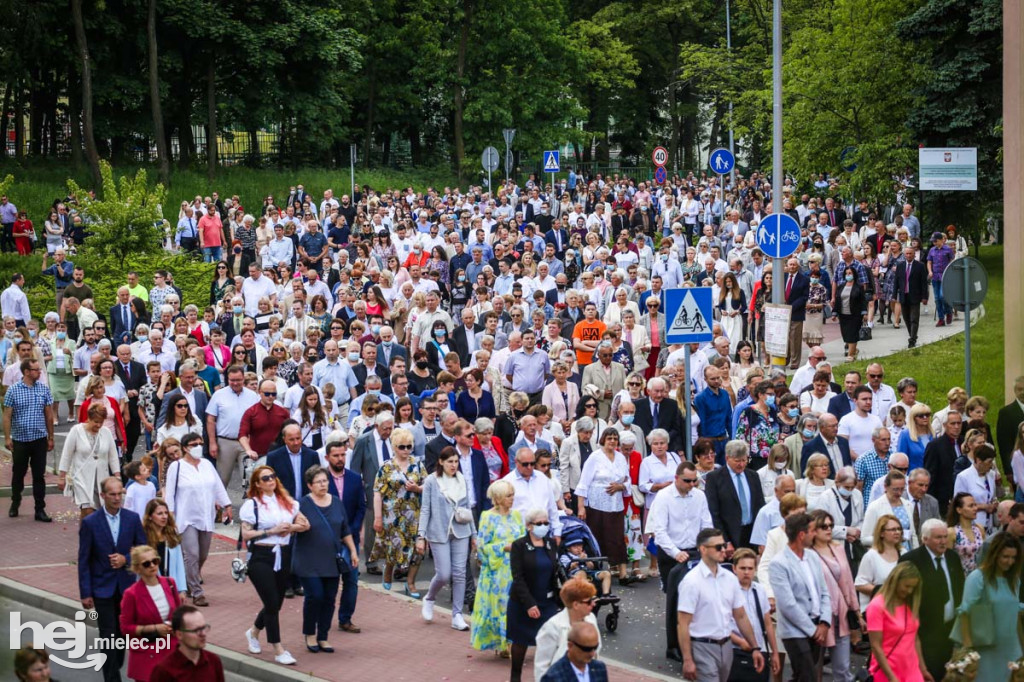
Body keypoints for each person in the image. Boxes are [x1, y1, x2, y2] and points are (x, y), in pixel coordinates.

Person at [78, 477, 147, 682]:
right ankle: (111, 678)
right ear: (103, 496)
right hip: (102, 588)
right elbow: (84, 559)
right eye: (113, 494)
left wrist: (126, 559)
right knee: (108, 635)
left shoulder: (132, 519)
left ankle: (113, 665)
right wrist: (86, 592)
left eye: (120, 494)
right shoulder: (91, 522)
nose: (117, 498)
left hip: (127, 588)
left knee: (122, 634)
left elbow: (144, 550)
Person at [239, 464, 309, 666]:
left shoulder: (288, 502)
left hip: (283, 554)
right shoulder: (252, 505)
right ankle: (278, 648)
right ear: (258, 484)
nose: (271, 480)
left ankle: (253, 632)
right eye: (266, 478)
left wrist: (290, 528)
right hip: (261, 555)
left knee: (276, 603)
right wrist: (272, 531)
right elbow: (247, 534)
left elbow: (305, 524)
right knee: (271, 602)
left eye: (273, 476)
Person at [678, 527, 765, 682]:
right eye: (718, 547)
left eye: (724, 545)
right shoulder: (691, 582)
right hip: (702, 646)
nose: (724, 550)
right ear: (703, 549)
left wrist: (755, 647)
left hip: (726, 647)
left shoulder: (730, 579)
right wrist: (687, 659)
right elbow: (683, 624)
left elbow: (741, 616)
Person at [648, 461, 713, 662]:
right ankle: (673, 645)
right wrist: (676, 552)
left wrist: (706, 547)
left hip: (695, 552)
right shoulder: (664, 497)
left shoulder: (699, 496)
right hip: (671, 553)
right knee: (676, 600)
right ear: (676, 478)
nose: (692, 484)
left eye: (695, 480)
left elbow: (706, 523)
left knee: (700, 598)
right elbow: (660, 531)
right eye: (687, 481)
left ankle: (695, 640)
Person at [293, 465, 358, 653]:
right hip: (308, 559)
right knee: (315, 596)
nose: (323, 485)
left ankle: (323, 635)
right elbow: (292, 527)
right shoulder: (302, 504)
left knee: (329, 598)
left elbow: (345, 530)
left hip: (331, 559)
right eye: (318, 482)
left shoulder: (337, 502)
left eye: (325, 481)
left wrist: (353, 551)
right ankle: (310, 633)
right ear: (309, 485)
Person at [164, 431, 233, 607]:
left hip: (205, 516)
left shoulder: (207, 465)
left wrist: (227, 505)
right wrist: (169, 515)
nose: (198, 447)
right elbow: (170, 493)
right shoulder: (177, 467)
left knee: (202, 554)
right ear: (185, 448)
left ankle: (188, 578)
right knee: (192, 553)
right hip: (185, 518)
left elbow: (217, 486)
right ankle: (196, 592)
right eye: (194, 444)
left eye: (200, 443)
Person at [417, 446, 477, 631]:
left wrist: (474, 534)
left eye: (456, 461)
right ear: (441, 462)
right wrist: (421, 535)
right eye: (449, 461)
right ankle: (430, 597)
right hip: (438, 531)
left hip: (461, 530)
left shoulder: (462, 480)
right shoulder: (431, 481)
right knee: (444, 573)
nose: (453, 465)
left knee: (459, 574)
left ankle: (457, 614)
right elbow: (426, 509)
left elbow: (467, 509)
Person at [898, 518, 966, 681]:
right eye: (938, 538)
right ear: (925, 539)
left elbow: (960, 589)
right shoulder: (911, 560)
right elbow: (903, 597)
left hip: (951, 629)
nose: (943, 541)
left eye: (945, 537)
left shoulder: (952, 558)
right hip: (924, 632)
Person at [768, 512, 831, 682]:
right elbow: (788, 605)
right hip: (795, 630)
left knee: (803, 676)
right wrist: (812, 630)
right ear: (801, 535)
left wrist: (824, 622)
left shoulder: (812, 557)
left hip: (818, 624)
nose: (815, 534)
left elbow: (824, 591)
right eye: (812, 530)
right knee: (807, 676)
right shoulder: (779, 563)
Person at [954, 531, 1024, 679]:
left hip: (1010, 649)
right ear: (995, 555)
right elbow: (965, 614)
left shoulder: (1014, 581)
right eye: (1005, 557)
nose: (1010, 562)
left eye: (1013, 557)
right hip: (984, 650)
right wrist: (969, 651)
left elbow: (1015, 613)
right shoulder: (977, 578)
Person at [471, 479, 525, 657]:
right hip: (496, 572)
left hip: (515, 570)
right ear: (499, 498)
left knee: (515, 607)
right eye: (509, 495)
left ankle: (511, 641)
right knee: (500, 607)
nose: (512, 498)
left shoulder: (517, 515)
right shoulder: (487, 516)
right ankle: (502, 644)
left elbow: (524, 539)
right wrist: (503, 547)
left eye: (513, 495)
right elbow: (482, 546)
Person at [369, 426, 426, 593]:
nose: (406, 450)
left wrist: (417, 488)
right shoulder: (386, 467)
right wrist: (377, 517)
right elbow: (377, 492)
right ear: (394, 447)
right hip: (392, 516)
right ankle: (388, 572)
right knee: (393, 547)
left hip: (414, 515)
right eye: (402, 447)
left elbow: (429, 486)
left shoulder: (417, 465)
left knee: (417, 549)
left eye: (409, 446)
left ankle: (411, 582)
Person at [507, 508, 561, 682]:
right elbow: (518, 577)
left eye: (546, 523)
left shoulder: (551, 543)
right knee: (521, 641)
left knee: (552, 642)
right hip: (524, 602)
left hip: (547, 602)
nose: (544, 526)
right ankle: (515, 677)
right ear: (529, 526)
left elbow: (556, 572)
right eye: (539, 523)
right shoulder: (519, 546)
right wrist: (529, 604)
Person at [808, 509, 860, 682]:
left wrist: (857, 613)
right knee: (813, 668)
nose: (829, 529)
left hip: (841, 613)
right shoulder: (807, 554)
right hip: (817, 617)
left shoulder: (838, 549)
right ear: (813, 529)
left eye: (831, 525)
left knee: (843, 668)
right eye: (824, 526)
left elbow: (849, 582)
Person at [575, 428, 632, 584]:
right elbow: (583, 483)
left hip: (616, 504)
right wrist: (581, 507)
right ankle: (596, 572)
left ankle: (623, 574)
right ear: (603, 440)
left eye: (615, 438)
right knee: (597, 537)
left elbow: (627, 480)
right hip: (596, 504)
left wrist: (621, 487)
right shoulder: (595, 457)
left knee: (618, 538)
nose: (612, 441)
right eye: (609, 438)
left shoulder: (621, 458)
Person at [119, 545, 183, 682]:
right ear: (137, 568)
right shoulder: (131, 594)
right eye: (146, 564)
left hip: (170, 650)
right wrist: (155, 629)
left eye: (155, 561)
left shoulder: (170, 583)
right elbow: (126, 628)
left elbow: (179, 614)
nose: (152, 565)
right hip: (147, 654)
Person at [321, 440, 366, 633]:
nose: (340, 459)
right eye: (336, 455)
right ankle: (322, 619)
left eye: (343, 455)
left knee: (351, 581)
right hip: (326, 541)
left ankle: (345, 619)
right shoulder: (320, 479)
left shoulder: (355, 479)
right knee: (327, 583)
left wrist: (351, 531)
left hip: (350, 540)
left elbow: (360, 508)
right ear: (327, 457)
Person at [4, 358, 55, 521]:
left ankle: (40, 509)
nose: (39, 372)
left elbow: (48, 415)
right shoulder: (13, 390)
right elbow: (7, 416)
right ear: (26, 372)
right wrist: (7, 437)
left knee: (39, 475)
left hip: (39, 439)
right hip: (20, 439)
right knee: (18, 473)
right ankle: (15, 501)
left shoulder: (43, 389)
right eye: (36, 370)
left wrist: (51, 437)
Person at [864, 562, 931, 682]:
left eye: (913, 587)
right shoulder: (877, 606)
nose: (910, 591)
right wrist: (892, 678)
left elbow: (914, 639)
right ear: (895, 581)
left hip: (912, 671)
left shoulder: (910, 603)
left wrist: (923, 668)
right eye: (907, 586)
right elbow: (876, 646)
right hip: (887, 671)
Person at [534, 574, 603, 681]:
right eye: (589, 601)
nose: (593, 604)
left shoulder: (591, 619)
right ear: (576, 605)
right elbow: (541, 666)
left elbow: (596, 654)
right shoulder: (552, 627)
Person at [58, 402, 121, 518]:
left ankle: (92, 534)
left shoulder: (106, 432)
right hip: (82, 478)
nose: (98, 425)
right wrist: (62, 476)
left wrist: (117, 476)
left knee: (99, 512)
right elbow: (67, 454)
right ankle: (85, 535)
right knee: (87, 510)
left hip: (101, 477)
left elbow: (113, 456)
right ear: (89, 418)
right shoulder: (76, 431)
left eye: (101, 422)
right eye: (96, 422)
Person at [705, 439, 766, 551]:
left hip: (752, 534)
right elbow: (714, 513)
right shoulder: (714, 478)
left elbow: (760, 506)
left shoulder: (753, 476)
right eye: (737, 461)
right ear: (727, 458)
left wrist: (761, 538)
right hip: (730, 537)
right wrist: (725, 541)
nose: (741, 464)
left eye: (744, 460)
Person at [149, 605, 226, 681]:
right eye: (196, 630)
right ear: (179, 634)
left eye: (204, 628)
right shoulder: (164, 670)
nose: (203, 634)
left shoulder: (214, 661)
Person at [142, 498, 187, 597]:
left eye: (166, 513)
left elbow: (179, 564)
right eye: (159, 514)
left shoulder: (172, 534)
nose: (164, 517)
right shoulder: (143, 536)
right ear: (150, 516)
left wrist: (182, 590)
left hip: (170, 587)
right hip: (151, 588)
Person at [539, 622, 608, 682]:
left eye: (595, 647)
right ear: (570, 645)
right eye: (586, 649)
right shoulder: (554, 676)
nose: (592, 654)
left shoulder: (599, 668)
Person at [953, 443, 999, 532]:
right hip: (972, 525)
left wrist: (994, 503)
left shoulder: (991, 475)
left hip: (989, 526)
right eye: (989, 462)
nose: (991, 465)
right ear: (978, 461)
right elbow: (958, 504)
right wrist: (984, 507)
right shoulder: (963, 477)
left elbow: (991, 496)